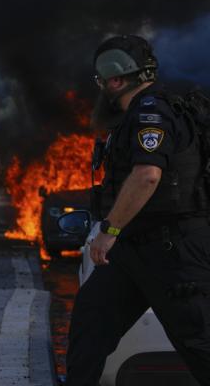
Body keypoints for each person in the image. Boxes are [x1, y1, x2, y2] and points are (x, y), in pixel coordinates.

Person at [66, 35, 210, 385]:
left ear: (116, 80)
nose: (100, 89)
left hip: (172, 252)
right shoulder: (134, 116)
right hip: (134, 251)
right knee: (90, 324)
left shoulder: (152, 113)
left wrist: (109, 230)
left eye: (101, 81)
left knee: (199, 345)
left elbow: (147, 176)